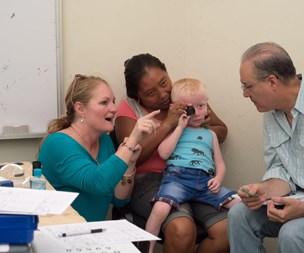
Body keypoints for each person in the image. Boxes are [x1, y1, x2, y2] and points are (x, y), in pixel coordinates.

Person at [114, 53, 231, 253]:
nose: (162, 94)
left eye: (164, 82)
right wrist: (168, 123)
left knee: (227, 229)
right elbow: (133, 156)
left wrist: (203, 123)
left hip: (193, 177)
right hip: (149, 181)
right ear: (138, 96)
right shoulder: (128, 109)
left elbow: (221, 132)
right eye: (151, 92)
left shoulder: (185, 96)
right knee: (182, 230)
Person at [227, 42, 304, 252]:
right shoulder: (272, 112)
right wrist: (264, 189)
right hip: (302, 198)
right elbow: (281, 168)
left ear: (272, 82)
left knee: (293, 233)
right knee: (239, 214)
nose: (245, 94)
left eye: (247, 86)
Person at [38, 74, 159, 222]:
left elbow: (119, 199)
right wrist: (132, 139)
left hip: (92, 234)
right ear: (80, 109)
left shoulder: (104, 141)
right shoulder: (57, 143)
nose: (114, 108)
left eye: (113, 102)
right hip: (59, 235)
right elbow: (97, 183)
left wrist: (130, 164)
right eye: (104, 102)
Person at [145, 78, 240, 253]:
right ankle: (146, 248)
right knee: (160, 209)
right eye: (190, 109)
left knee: (241, 205)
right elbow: (164, 153)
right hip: (177, 179)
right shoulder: (175, 131)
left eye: (201, 106)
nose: (196, 113)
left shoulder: (210, 134)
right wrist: (179, 127)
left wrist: (218, 179)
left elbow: (219, 163)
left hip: (205, 182)